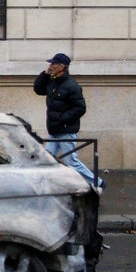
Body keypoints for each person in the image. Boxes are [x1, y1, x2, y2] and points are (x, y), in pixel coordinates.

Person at [33, 52, 104, 190]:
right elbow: (38, 89)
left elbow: (80, 108)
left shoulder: (72, 86)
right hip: (53, 129)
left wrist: (62, 119)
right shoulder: (52, 81)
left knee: (72, 162)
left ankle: (98, 183)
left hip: (66, 130)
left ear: (61, 67)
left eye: (53, 64)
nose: (50, 66)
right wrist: (44, 74)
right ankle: (48, 188)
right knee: (48, 160)